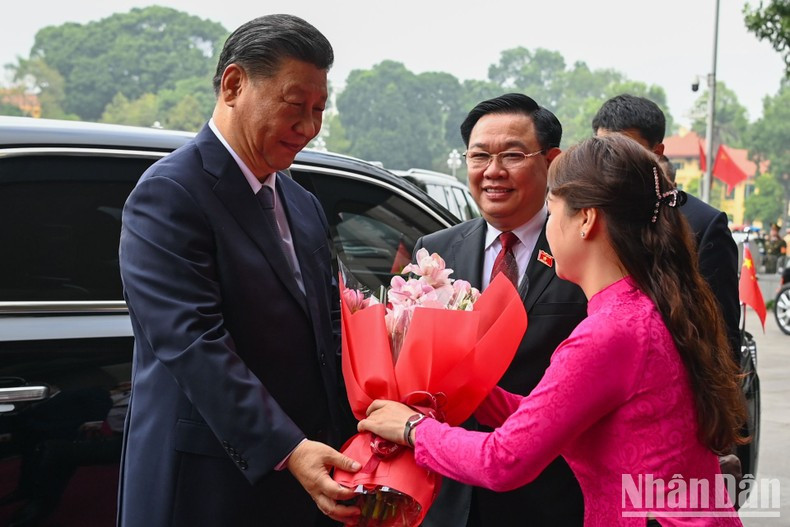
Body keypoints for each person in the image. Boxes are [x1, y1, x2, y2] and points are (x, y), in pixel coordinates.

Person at [359, 134, 748, 526]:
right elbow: (544, 416)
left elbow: (503, 461)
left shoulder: (611, 331)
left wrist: (412, 429)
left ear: (586, 219)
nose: (547, 227)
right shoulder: (644, 306)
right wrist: (453, 383)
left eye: (552, 210)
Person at [117, 14, 360, 527]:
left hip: (302, 478)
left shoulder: (302, 201)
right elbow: (193, 342)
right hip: (211, 481)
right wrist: (289, 448)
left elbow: (328, 328)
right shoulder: (171, 193)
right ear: (234, 84)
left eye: (318, 110)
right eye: (296, 106)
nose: (309, 128)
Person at [412, 93, 587, 526]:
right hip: (448, 493)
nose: (493, 172)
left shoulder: (584, 253)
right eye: (479, 156)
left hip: (547, 495)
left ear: (552, 162)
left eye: (511, 155)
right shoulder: (435, 251)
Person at [591, 95, 741, 364]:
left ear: (656, 151)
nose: (611, 161)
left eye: (626, 148)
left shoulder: (702, 224)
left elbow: (722, 335)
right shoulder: (585, 215)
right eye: (603, 148)